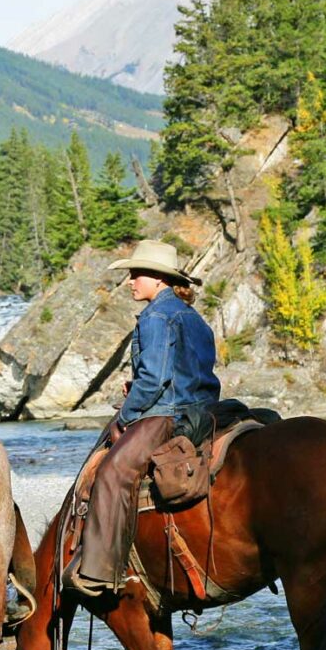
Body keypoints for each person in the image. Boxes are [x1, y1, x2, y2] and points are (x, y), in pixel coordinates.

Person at [64, 240, 220, 607]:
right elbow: (184, 370)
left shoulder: (155, 317)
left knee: (113, 473)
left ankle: (99, 572)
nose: (131, 281)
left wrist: (126, 414)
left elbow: (155, 380)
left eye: (138, 274)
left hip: (168, 413)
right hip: (205, 409)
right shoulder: (191, 316)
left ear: (160, 280)